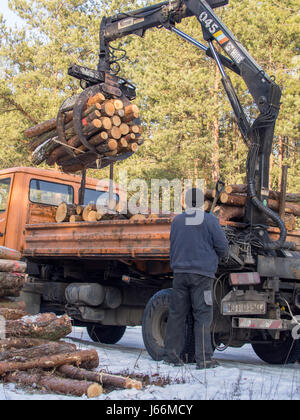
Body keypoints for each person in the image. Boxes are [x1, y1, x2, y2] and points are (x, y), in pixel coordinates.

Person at [164, 188, 229, 369]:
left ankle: (171, 356)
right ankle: (204, 359)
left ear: (185, 202)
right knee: (202, 316)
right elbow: (223, 248)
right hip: (202, 276)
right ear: (201, 203)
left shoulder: (177, 221)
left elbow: (173, 245)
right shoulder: (210, 220)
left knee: (177, 315)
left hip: (180, 274)